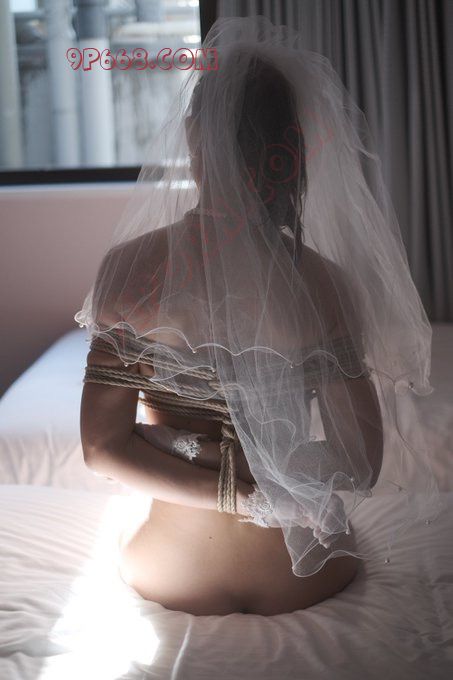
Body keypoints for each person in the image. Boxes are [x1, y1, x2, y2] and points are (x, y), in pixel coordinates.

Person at [76, 16, 441, 616]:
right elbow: (359, 463)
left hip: (172, 565)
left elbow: (101, 450)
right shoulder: (326, 286)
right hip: (302, 570)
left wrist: (190, 456)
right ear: (292, 151)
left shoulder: (131, 271)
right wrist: (270, 485)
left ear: (194, 138)